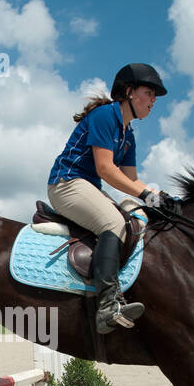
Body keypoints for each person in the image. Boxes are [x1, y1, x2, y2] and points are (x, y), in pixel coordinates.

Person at [47, 62, 167, 332]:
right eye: (149, 92)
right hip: (66, 183)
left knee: (133, 219)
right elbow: (105, 169)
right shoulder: (104, 116)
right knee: (113, 223)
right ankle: (107, 306)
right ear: (129, 92)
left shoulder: (128, 135)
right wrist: (146, 194)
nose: (154, 100)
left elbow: (133, 180)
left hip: (87, 187)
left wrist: (160, 198)